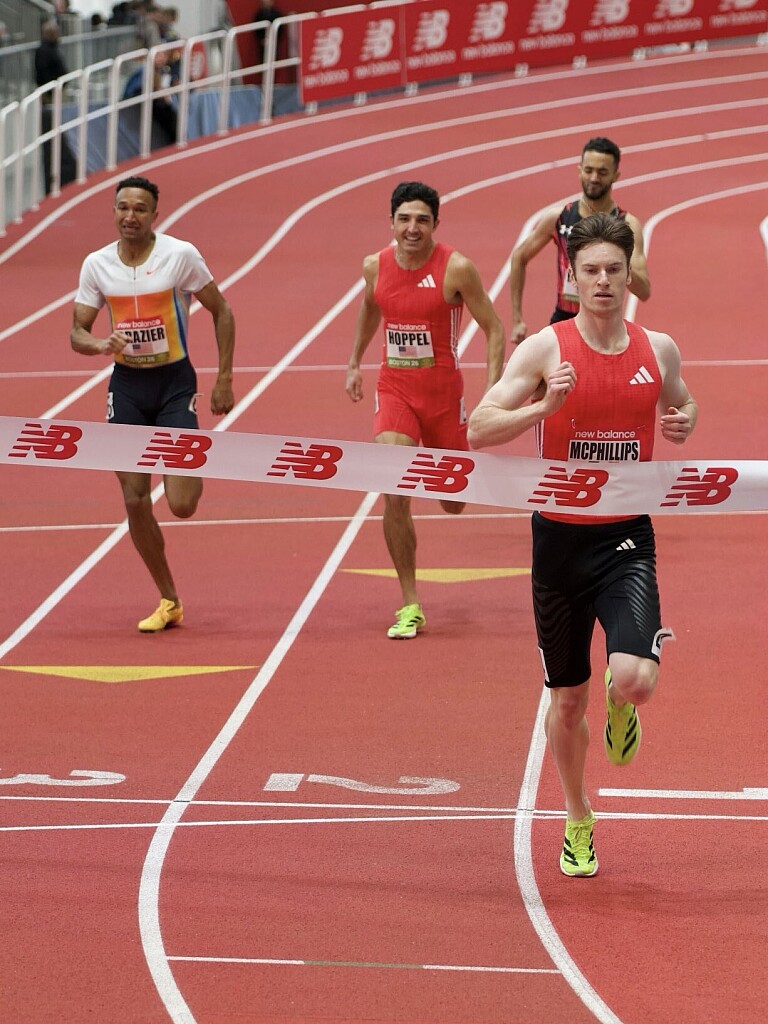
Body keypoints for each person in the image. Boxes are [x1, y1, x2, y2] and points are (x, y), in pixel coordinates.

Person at [468, 212, 697, 876]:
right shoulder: (546, 349)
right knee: (567, 701)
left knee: (636, 679)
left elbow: (684, 404)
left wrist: (683, 422)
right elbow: (479, 427)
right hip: (559, 546)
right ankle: (577, 816)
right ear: (571, 275)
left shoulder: (658, 349)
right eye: (590, 270)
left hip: (626, 540)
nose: (602, 281)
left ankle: (622, 700)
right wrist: (542, 410)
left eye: (613, 270)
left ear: (629, 276)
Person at [70, 175, 235, 633]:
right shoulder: (97, 265)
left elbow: (222, 310)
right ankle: (169, 598)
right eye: (123, 207)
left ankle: (186, 448)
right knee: (134, 498)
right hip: (126, 387)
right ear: (114, 212)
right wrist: (100, 344)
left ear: (154, 215)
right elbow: (77, 332)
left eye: (140, 209)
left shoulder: (179, 256)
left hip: (174, 385)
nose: (130, 216)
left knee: (182, 504)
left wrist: (224, 379)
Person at [346, 180, 506, 639]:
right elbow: (370, 308)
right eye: (404, 219)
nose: (412, 228)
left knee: (453, 502)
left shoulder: (456, 268)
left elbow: (494, 329)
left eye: (422, 220)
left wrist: (492, 394)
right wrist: (354, 361)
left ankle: (451, 479)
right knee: (393, 487)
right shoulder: (374, 266)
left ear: (436, 224)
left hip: (443, 399)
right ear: (391, 221)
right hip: (395, 391)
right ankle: (410, 602)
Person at [509, 136, 651, 345]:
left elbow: (644, 291)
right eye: (588, 170)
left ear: (616, 175)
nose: (594, 178)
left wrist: (617, 259)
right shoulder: (559, 217)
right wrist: (517, 319)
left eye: (602, 172)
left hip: (606, 324)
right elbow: (519, 257)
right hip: (564, 318)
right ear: (579, 170)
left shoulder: (627, 224)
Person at [34, 20, 77, 194]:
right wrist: (50, 91)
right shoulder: (44, 51)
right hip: (51, 93)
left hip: (56, 91)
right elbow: (42, 72)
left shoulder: (51, 49)